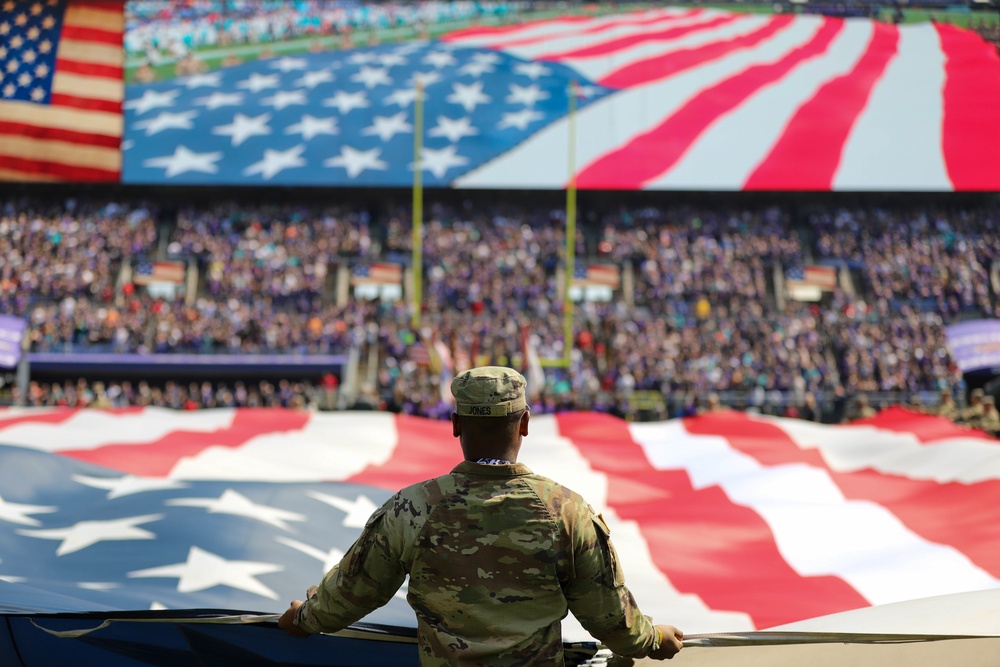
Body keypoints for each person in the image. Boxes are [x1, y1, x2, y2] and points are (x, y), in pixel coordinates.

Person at [279, 366, 684, 664]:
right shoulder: (568, 512)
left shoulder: (412, 508)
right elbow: (610, 617)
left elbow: (352, 595)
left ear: (455, 425)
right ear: (525, 424)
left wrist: (305, 617)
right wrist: (651, 640)